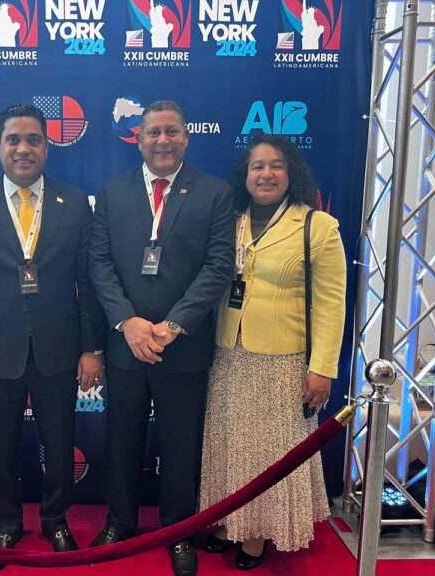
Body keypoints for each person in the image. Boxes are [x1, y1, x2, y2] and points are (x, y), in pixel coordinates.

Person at [0, 103, 105, 571]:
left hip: (59, 346)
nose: (23, 148)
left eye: (33, 139)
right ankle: (7, 523)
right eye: (13, 139)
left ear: (47, 147)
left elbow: (89, 281)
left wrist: (91, 348)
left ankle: (56, 521)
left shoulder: (74, 202)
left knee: (60, 442)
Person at [88, 100, 235, 576]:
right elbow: (99, 264)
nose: (163, 140)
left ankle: (179, 531)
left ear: (186, 137)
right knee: (121, 438)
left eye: (172, 131)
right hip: (125, 343)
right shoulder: (112, 192)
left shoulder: (214, 194)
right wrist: (127, 322)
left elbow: (218, 266)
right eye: (153, 132)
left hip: (183, 347)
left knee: (181, 444)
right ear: (138, 139)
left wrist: (172, 326)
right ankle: (119, 524)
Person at [198, 134, 346, 570]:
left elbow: (332, 305)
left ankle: (258, 534)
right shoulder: (228, 220)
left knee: (268, 453)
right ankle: (232, 522)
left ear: (291, 172)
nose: (266, 174)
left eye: (276, 165)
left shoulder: (316, 226)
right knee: (231, 448)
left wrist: (322, 368)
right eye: (257, 166)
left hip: (283, 362)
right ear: (244, 175)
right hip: (229, 354)